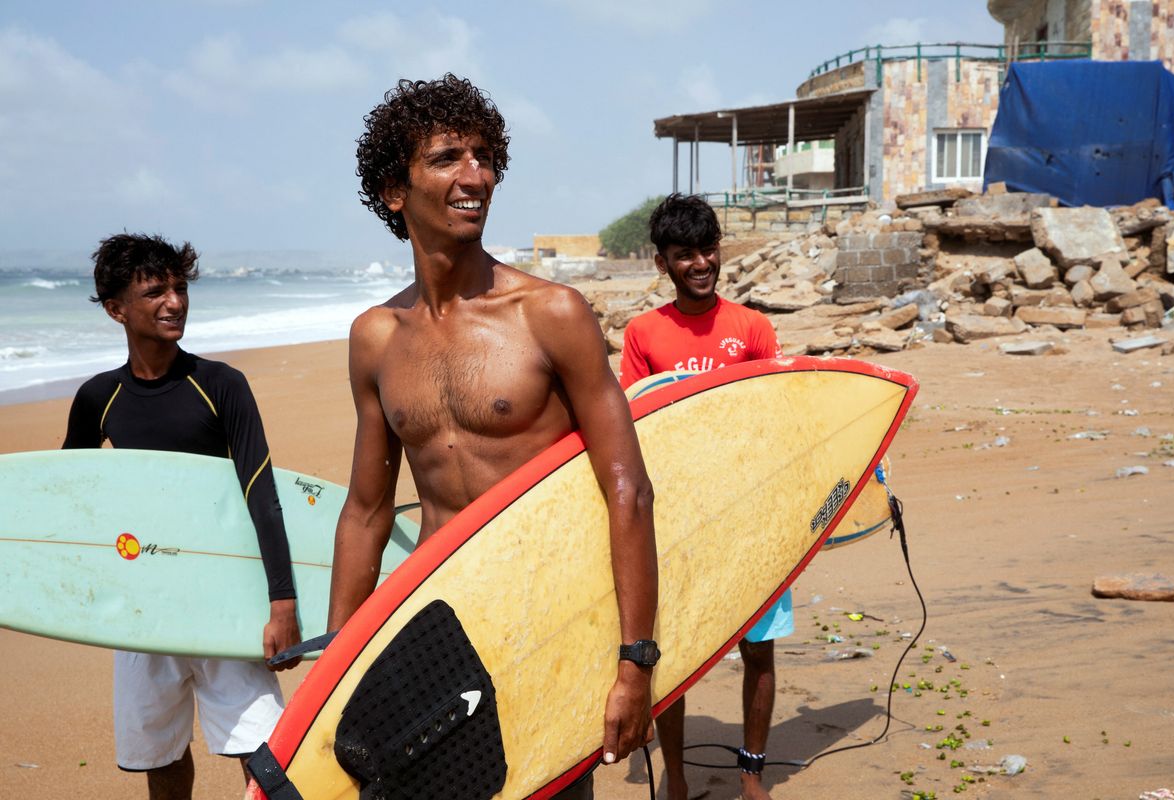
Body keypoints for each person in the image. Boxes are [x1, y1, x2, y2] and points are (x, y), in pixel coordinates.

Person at [326, 74, 659, 799]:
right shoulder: (376, 339)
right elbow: (366, 511)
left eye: (484, 156)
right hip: (444, 621)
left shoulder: (550, 314)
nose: (475, 175)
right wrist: (337, 666)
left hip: (553, 611)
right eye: (447, 157)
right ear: (393, 189)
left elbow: (628, 488)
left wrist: (637, 661)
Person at [63, 233, 301, 800]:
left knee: (262, 752)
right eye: (154, 291)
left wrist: (282, 603)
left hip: (226, 596)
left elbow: (259, 492)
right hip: (145, 605)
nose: (175, 302)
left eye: (179, 286)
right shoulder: (100, 398)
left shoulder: (220, 386)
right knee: (161, 756)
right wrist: (83, 595)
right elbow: (70, 499)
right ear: (116, 308)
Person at [619, 194, 787, 800]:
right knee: (673, 652)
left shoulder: (752, 327)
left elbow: (780, 418)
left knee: (759, 648)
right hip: (680, 517)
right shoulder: (644, 333)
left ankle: (752, 775)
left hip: (753, 511)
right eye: (684, 254)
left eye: (708, 249)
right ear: (663, 263)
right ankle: (678, 779)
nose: (700, 263)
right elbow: (636, 426)